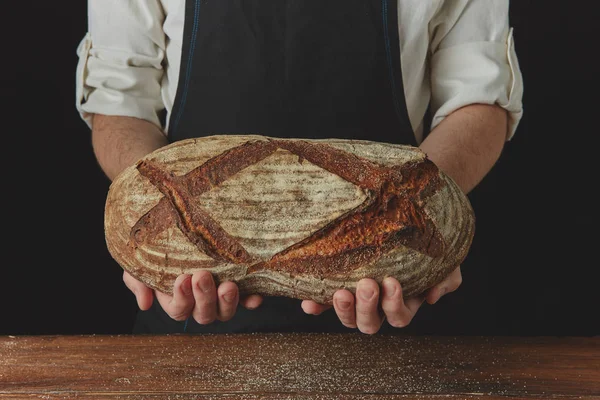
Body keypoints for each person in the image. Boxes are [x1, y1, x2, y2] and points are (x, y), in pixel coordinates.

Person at [75, 0, 523, 335]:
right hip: (189, 311)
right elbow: (121, 103)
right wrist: (146, 225)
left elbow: (479, 100)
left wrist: (431, 221)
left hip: (394, 313)